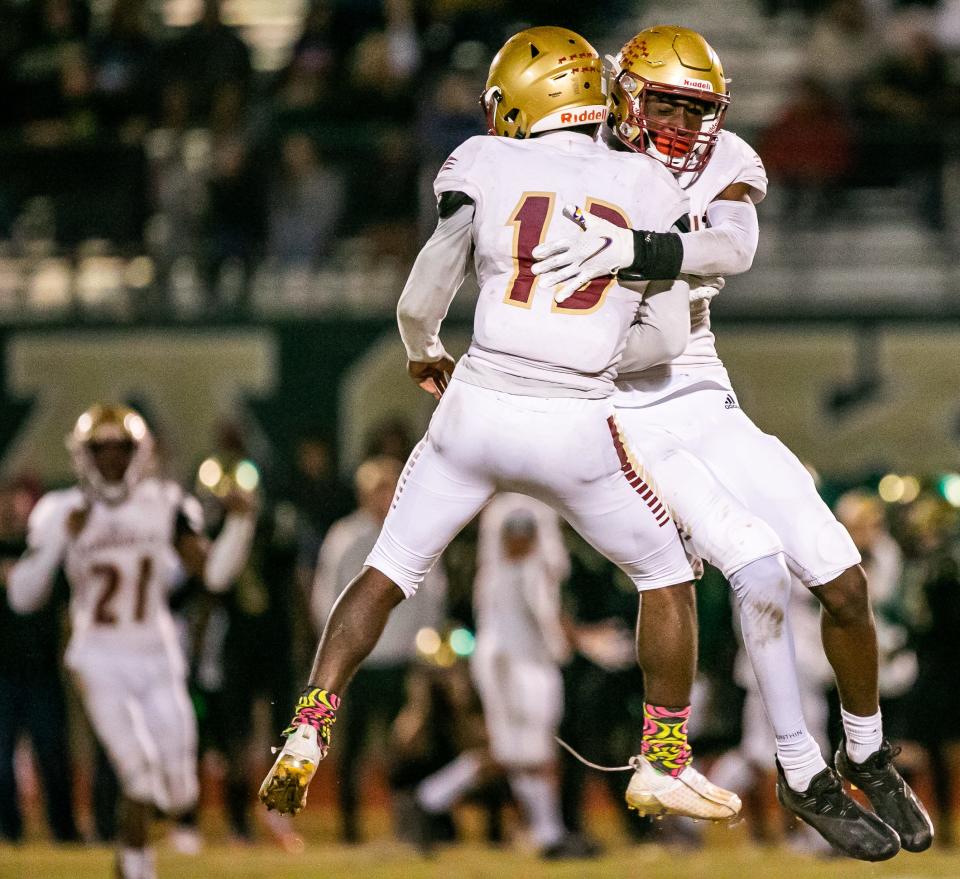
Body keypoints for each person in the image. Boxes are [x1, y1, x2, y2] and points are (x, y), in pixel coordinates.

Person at [259, 25, 741, 826]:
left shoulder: (484, 163)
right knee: (668, 576)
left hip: (476, 400)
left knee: (387, 568)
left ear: (521, 97)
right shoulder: (647, 185)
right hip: (576, 417)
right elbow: (662, 338)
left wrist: (424, 352)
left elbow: (421, 297)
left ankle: (310, 725)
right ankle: (662, 758)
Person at [529, 24, 932, 861]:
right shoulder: (574, 160)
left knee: (843, 579)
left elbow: (736, 245)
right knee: (753, 565)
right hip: (621, 407)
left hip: (705, 394)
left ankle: (864, 750)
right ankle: (799, 768)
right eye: (665, 103)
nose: (680, 123)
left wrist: (634, 247)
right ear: (624, 96)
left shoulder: (725, 161)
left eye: (695, 108)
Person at [7, 404, 255, 879]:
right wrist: (60, 541)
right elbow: (22, 597)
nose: (113, 461)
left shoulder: (165, 503)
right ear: (84, 455)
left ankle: (152, 840)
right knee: (138, 777)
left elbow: (216, 575)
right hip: (99, 658)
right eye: (101, 450)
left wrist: (240, 525)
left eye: (122, 449)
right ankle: (136, 870)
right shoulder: (61, 509)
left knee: (180, 787)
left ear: (140, 453)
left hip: (158, 656)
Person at [310, 456, 446, 843]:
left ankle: (409, 825)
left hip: (403, 658)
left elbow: (433, 596)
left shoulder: (415, 530)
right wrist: (336, 653)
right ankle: (349, 828)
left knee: (408, 745)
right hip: (360, 663)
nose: (385, 497)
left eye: (390, 487)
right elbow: (326, 598)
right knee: (350, 748)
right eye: (377, 489)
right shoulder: (344, 537)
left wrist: (425, 652)